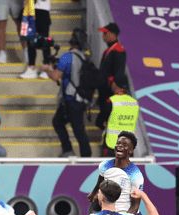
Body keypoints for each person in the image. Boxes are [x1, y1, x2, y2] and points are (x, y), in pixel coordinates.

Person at [42, 28, 91, 157]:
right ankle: (71, 151)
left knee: (77, 130)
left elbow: (56, 76)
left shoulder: (68, 57)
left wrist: (47, 70)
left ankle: (83, 156)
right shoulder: (83, 57)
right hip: (80, 99)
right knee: (60, 122)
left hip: (71, 100)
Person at [96, 22, 126, 130]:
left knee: (104, 120)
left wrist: (115, 88)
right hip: (104, 92)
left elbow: (119, 72)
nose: (103, 36)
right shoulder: (110, 50)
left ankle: (108, 143)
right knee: (101, 121)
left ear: (112, 35)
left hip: (110, 93)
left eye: (105, 33)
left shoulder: (118, 50)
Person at [101, 75, 138, 157]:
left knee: (110, 170)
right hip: (128, 146)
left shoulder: (111, 101)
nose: (111, 84)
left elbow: (100, 120)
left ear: (116, 85)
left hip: (112, 145)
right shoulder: (134, 103)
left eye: (112, 83)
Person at [19, 0, 50, 79]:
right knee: (30, 39)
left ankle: (47, 67)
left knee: (44, 39)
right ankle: (31, 67)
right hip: (29, 8)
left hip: (42, 9)